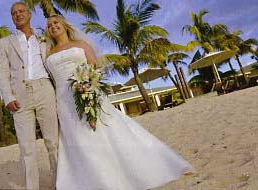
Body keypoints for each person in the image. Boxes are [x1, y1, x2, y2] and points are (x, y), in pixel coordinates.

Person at [45, 14, 195, 190]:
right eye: (49, 25)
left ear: (64, 25)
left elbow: (93, 65)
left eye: (56, 23)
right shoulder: (49, 53)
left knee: (102, 131)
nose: (53, 26)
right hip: (63, 101)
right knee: (75, 137)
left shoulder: (80, 45)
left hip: (87, 91)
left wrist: (87, 86)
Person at [0, 2, 59, 190]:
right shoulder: (4, 43)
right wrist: (8, 97)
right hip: (20, 97)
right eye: (14, 13)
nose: (18, 14)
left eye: (21, 11)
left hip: (44, 89)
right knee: (27, 147)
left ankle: (60, 184)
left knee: (53, 141)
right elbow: (2, 72)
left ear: (30, 14)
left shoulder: (44, 38)